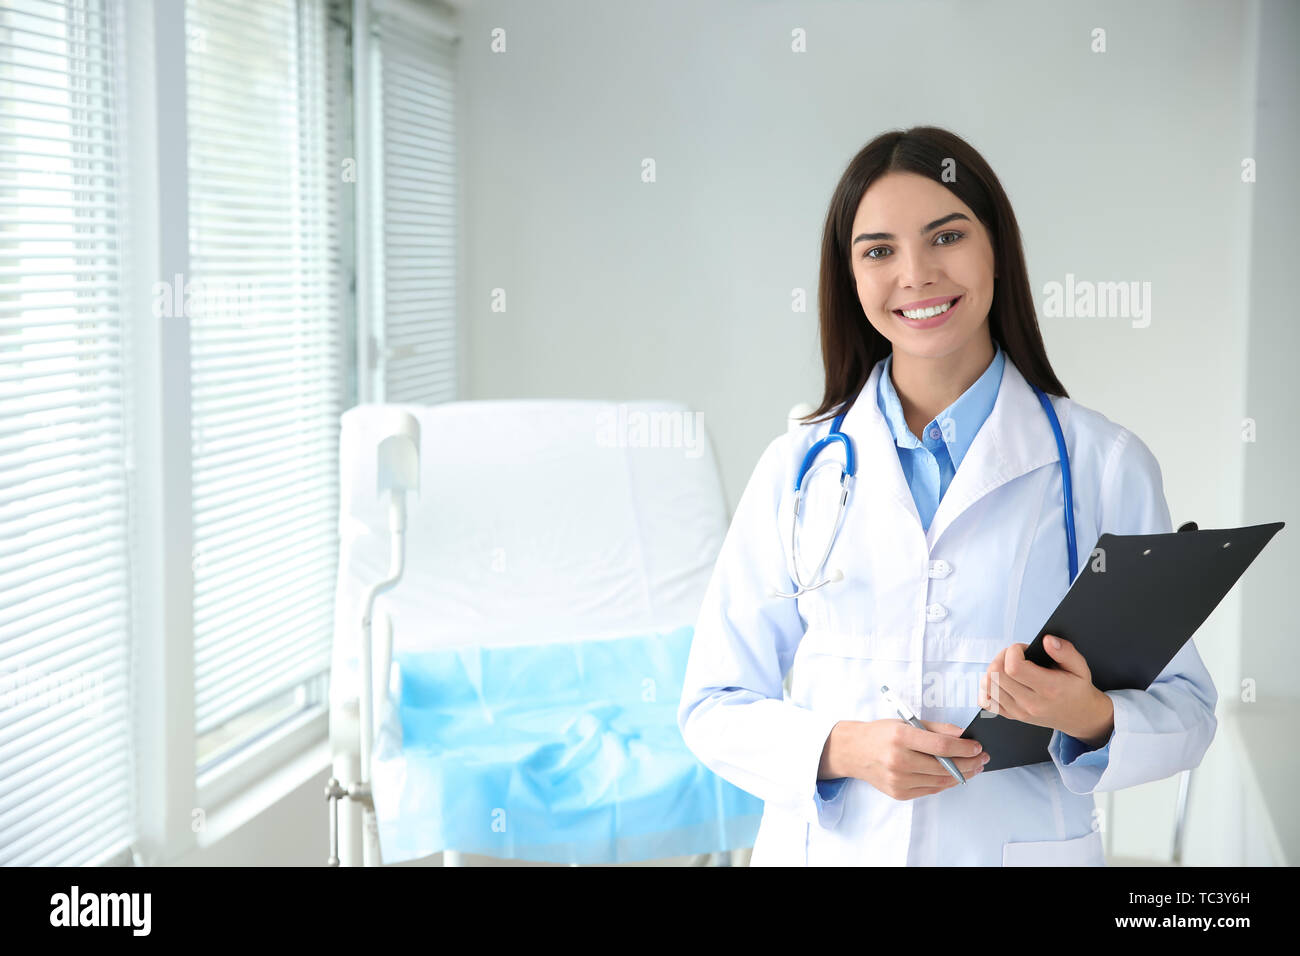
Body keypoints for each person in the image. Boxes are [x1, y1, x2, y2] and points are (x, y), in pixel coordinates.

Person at [677, 126, 1218, 866]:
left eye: (947, 236)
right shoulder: (797, 467)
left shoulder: (1104, 464)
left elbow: (1189, 711)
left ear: (997, 249)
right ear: (850, 277)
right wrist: (841, 749)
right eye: (878, 251)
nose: (916, 274)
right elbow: (712, 706)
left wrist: (1090, 717)